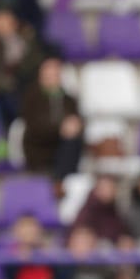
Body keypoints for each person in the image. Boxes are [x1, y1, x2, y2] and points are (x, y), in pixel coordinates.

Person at [0, 7, 44, 131]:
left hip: (23, 84)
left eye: (8, 19)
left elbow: (34, 64)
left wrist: (21, 50)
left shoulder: (26, 38)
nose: (5, 24)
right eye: (1, 19)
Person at [20, 54, 84, 183]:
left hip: (64, 147)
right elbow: (34, 126)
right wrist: (60, 129)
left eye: (56, 74)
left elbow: (77, 121)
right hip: (40, 148)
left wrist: (76, 127)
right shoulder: (32, 97)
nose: (52, 78)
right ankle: (61, 181)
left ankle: (63, 180)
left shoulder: (68, 100)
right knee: (69, 141)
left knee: (72, 141)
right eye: (49, 75)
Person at [70, 176, 132, 249]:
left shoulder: (116, 209)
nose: (108, 191)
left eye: (111, 188)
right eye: (104, 188)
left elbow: (122, 232)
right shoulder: (88, 210)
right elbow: (79, 235)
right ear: (97, 190)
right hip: (94, 251)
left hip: (112, 249)